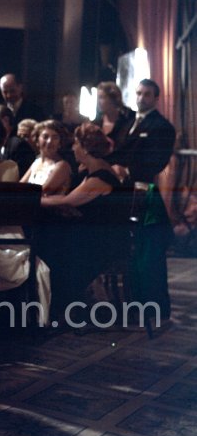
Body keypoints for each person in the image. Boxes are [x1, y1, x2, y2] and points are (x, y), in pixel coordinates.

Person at [39, 122, 130, 318]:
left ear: (85, 148)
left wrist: (35, 200)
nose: (72, 148)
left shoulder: (100, 177)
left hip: (106, 244)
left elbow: (66, 201)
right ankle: (57, 305)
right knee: (53, 236)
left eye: (75, 144)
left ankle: (58, 308)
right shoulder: (93, 172)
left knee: (50, 244)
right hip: (99, 237)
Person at [110, 79, 176, 321]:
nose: (141, 98)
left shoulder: (162, 127)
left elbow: (157, 162)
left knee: (150, 256)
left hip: (144, 196)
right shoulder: (126, 124)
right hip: (121, 196)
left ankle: (156, 309)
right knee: (131, 253)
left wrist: (126, 170)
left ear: (156, 98)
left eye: (147, 94)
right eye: (138, 93)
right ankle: (134, 306)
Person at [20, 120, 71, 195]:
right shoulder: (38, 161)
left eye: (55, 137)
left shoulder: (62, 166)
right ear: (37, 141)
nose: (49, 141)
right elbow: (20, 186)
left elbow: (42, 192)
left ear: (60, 142)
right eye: (45, 137)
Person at [93, 81, 134, 152]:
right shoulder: (96, 124)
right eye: (98, 98)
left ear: (113, 100)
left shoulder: (127, 123)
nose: (98, 102)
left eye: (102, 97)